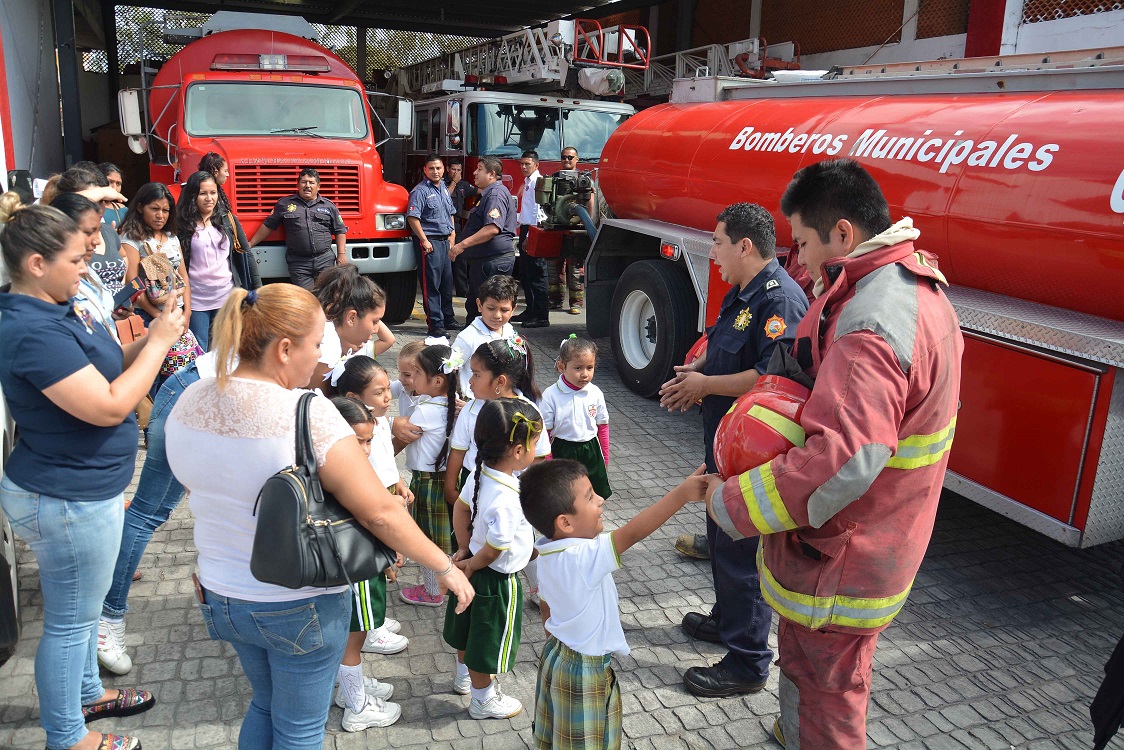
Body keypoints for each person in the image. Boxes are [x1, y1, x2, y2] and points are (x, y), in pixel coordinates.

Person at [705, 159, 963, 748]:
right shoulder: (905, 287)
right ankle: (798, 732)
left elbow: (844, 459)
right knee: (818, 677)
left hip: (843, 555)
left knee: (827, 691)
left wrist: (732, 504)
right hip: (876, 536)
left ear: (843, 233)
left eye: (801, 243)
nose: (796, 260)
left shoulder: (871, 323)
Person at [163, 284, 474, 750]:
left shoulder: (190, 399)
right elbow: (380, 512)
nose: (321, 360)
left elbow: (194, 483)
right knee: (300, 729)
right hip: (296, 601)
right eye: (315, 347)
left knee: (265, 705)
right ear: (286, 348)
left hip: (219, 594)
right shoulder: (308, 413)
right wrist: (444, 565)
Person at [0, 195, 186, 750]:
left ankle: (84, 693)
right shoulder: (33, 330)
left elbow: (107, 368)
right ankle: (69, 736)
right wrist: (157, 345)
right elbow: (107, 405)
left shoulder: (56, 310)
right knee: (69, 623)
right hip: (65, 497)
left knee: (77, 612)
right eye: (77, 261)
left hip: (78, 490)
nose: (87, 269)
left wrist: (154, 336)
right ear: (38, 264)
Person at [657, 203, 808, 698]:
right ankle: (728, 620)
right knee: (720, 535)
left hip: (753, 451)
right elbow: (722, 345)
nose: (713, 253)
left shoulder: (779, 300)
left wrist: (703, 385)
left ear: (745, 246)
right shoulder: (742, 293)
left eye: (718, 243)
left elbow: (770, 378)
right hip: (726, 441)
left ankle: (747, 659)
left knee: (742, 548)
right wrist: (697, 367)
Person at [521, 460, 709, 750]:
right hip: (583, 670)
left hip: (556, 655)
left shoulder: (545, 551)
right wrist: (682, 494)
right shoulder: (584, 556)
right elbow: (633, 532)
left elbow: (547, 607)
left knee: (558, 735)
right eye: (590, 497)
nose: (600, 500)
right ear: (565, 522)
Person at [98, 351, 222, 676]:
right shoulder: (323, 337)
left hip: (191, 396)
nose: (373, 333)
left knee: (150, 512)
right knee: (146, 512)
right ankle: (106, 617)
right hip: (189, 400)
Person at [446, 398, 541, 719]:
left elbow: (460, 508)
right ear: (517, 451)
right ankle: (483, 699)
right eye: (535, 442)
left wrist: (463, 549)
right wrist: (473, 562)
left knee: (467, 630)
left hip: (471, 566)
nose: (536, 449)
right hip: (495, 579)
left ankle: (463, 679)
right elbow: (497, 548)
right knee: (487, 642)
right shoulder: (509, 498)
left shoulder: (479, 473)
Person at [326, 395, 404, 731]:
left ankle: (349, 689)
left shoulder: (343, 469)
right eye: (358, 441)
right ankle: (356, 706)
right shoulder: (343, 476)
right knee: (352, 638)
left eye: (369, 440)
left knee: (354, 638)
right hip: (354, 573)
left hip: (359, 567)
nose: (366, 449)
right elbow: (372, 521)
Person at [400, 343, 462, 607]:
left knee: (426, 538)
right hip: (447, 478)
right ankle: (445, 583)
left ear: (437, 381)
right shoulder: (455, 406)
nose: (411, 379)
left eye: (416, 373)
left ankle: (433, 591)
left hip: (426, 482)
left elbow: (399, 436)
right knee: (443, 535)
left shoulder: (425, 410)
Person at [177, 170, 261, 350]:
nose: (209, 198)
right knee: (199, 351)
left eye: (213, 192)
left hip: (226, 297)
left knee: (226, 350)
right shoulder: (182, 224)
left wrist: (258, 289)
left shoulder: (227, 219)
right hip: (197, 301)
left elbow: (246, 254)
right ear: (193, 195)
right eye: (203, 193)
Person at [248, 167, 348, 289]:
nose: (307, 186)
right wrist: (251, 243)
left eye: (311, 183)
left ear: (318, 187)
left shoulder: (329, 206)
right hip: (299, 263)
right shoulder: (284, 204)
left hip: (325, 260)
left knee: (327, 295)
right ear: (298, 185)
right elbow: (268, 225)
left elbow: (340, 230)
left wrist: (341, 254)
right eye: (304, 182)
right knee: (307, 298)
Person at [540, 334, 611, 499]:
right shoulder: (551, 395)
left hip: (591, 451)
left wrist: (605, 458)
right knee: (565, 496)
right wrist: (549, 461)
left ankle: (591, 522)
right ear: (561, 366)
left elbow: (603, 427)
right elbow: (544, 432)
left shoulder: (595, 393)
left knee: (594, 494)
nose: (585, 374)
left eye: (590, 367)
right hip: (563, 451)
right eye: (578, 368)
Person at [449, 157, 517, 325]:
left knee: (488, 307)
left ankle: (486, 347)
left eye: (479, 169)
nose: (474, 172)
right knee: (476, 304)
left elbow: (492, 228)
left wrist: (461, 246)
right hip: (484, 261)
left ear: (492, 174)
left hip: (493, 262)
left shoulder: (495, 194)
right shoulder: (488, 194)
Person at [309, 264, 394, 390]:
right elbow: (316, 400)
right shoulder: (328, 345)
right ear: (351, 318)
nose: (376, 330)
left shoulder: (328, 331)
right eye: (375, 321)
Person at [51, 193, 121, 344]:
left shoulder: (89, 272)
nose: (97, 241)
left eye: (98, 231)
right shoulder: (57, 292)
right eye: (89, 232)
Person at [120, 182, 191, 324]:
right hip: (147, 316)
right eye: (154, 209)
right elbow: (132, 283)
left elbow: (184, 276)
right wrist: (158, 315)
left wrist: (187, 313)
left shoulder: (171, 237)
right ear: (140, 208)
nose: (160, 215)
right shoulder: (131, 238)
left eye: (165, 210)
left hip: (177, 312)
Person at [408, 154, 458, 337]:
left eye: (438, 168)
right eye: (431, 168)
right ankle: (435, 325)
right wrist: (424, 240)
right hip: (430, 243)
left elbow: (450, 212)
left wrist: (452, 234)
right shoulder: (420, 191)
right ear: (425, 170)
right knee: (432, 285)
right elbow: (413, 217)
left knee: (446, 283)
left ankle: (448, 318)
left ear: (443, 169)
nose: (435, 172)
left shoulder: (444, 187)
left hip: (445, 241)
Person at [451, 274, 519, 395]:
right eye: (491, 308)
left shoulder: (510, 332)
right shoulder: (468, 337)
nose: (497, 315)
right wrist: (456, 400)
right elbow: (450, 370)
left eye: (504, 310)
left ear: (513, 309)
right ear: (479, 305)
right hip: (474, 403)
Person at [513, 150, 549, 328]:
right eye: (522, 164)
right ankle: (530, 309)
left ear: (536, 165)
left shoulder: (537, 182)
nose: (524, 167)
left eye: (527, 164)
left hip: (534, 230)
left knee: (537, 274)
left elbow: (537, 211)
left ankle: (541, 315)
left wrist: (529, 235)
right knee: (525, 274)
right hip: (525, 228)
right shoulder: (528, 182)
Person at [549, 147, 586, 315]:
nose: (567, 160)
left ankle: (576, 303)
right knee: (555, 267)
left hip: (576, 229)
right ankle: (556, 300)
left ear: (577, 159)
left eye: (570, 157)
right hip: (557, 228)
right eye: (564, 157)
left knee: (575, 269)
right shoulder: (554, 178)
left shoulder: (584, 179)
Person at [446, 159, 476, 297]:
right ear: (447, 169)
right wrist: (454, 182)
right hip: (443, 226)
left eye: (459, 170)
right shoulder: (443, 184)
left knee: (461, 259)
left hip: (457, 225)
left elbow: (478, 189)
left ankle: (462, 290)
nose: (456, 173)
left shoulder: (464, 185)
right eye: (453, 169)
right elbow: (444, 197)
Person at [97, 162, 128, 228]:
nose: (114, 188)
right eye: (110, 182)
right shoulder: (89, 206)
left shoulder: (123, 210)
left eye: (118, 184)